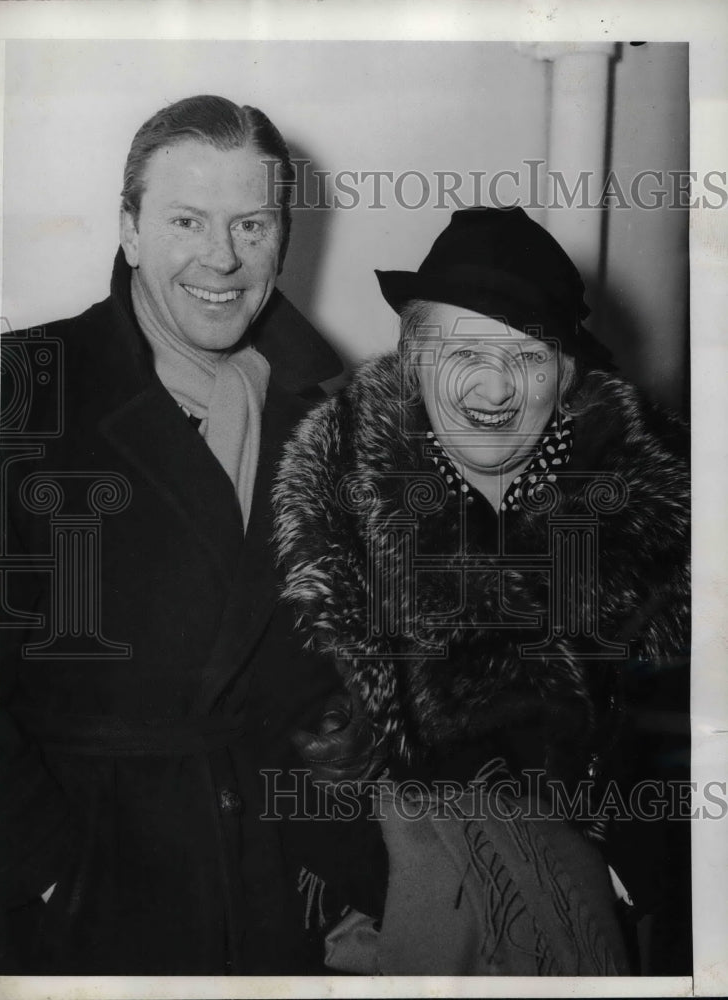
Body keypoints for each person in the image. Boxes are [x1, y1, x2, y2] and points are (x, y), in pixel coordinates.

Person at [274, 206, 690, 975]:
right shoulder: (331, 514)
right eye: (462, 350)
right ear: (413, 362)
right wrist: (399, 886)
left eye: (528, 355)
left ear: (566, 377)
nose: (493, 385)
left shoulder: (652, 529)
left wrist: (610, 876)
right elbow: (277, 747)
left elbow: (677, 756)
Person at [0, 94, 346, 974]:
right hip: (91, 892)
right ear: (130, 229)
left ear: (284, 236)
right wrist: (45, 870)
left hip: (278, 886)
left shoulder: (336, 412)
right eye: (187, 219)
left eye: (252, 224)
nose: (222, 258)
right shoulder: (29, 387)